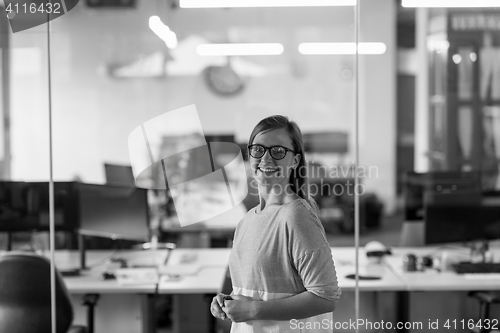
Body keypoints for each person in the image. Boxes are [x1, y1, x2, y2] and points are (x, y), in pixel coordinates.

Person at [210, 115, 341, 332]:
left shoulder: (296, 217)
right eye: (258, 149)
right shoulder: (248, 219)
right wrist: (229, 301)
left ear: (296, 160)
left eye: (278, 151)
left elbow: (326, 297)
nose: (266, 159)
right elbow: (258, 289)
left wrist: (252, 310)